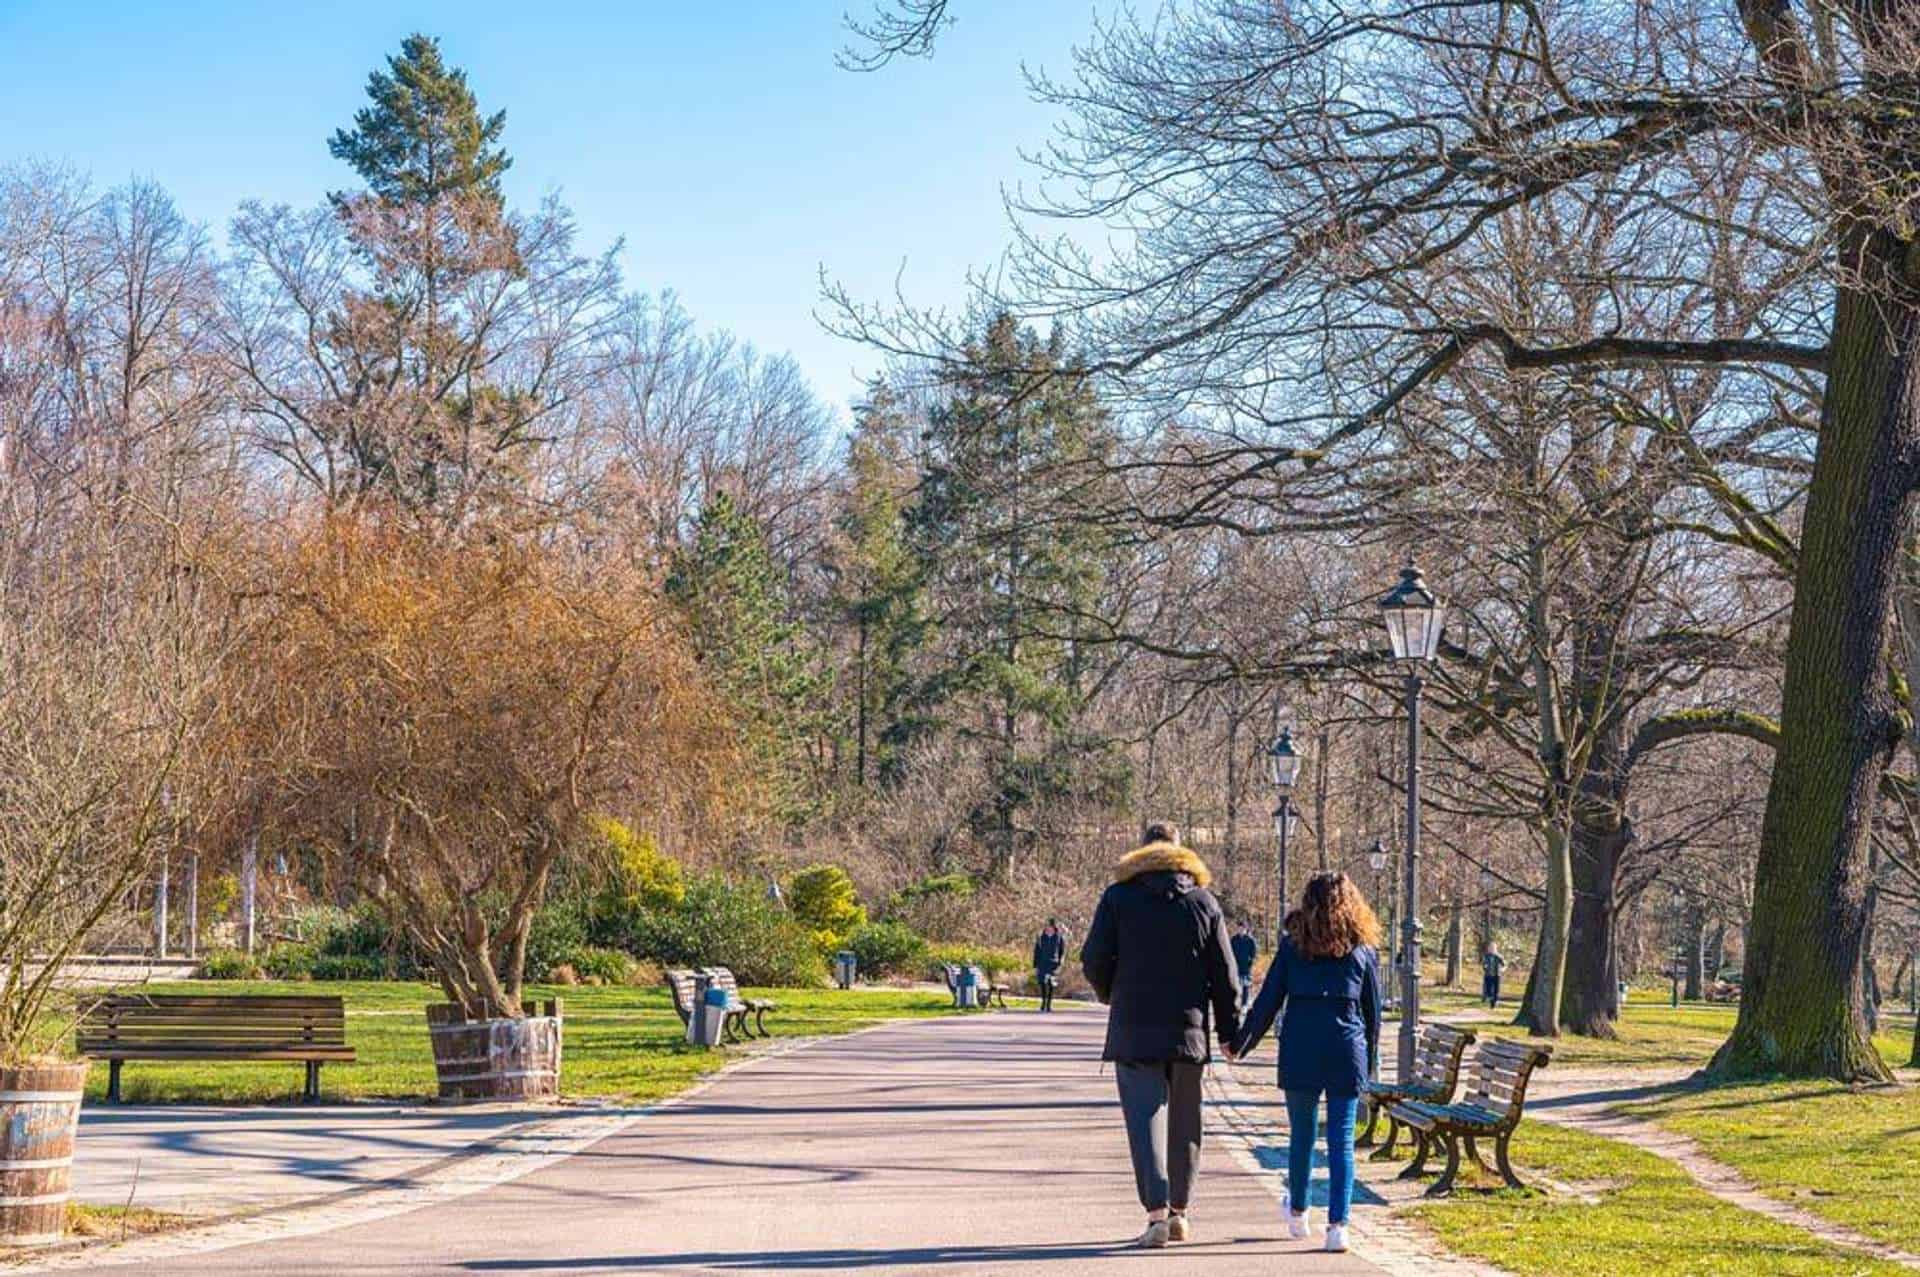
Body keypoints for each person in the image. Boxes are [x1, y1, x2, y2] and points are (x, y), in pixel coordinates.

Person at [1081, 821, 1241, 1250]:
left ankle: (1155, 1215)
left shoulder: (1118, 898)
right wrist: (1228, 1031)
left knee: (1144, 1120)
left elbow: (1093, 958)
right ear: (1179, 851)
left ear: (1142, 851)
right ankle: (1181, 1213)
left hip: (1133, 1027)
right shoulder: (1203, 902)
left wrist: (1111, 992)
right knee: (1187, 1123)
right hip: (1188, 1031)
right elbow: (1225, 975)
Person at [1233, 872, 1382, 1255]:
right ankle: (1338, 1226)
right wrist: (1370, 1058)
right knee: (1341, 1141)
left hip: (1300, 1046)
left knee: (1301, 1136)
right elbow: (1372, 1012)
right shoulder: (1361, 948)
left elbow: (1268, 1001)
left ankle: (1299, 1212)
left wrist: (1242, 1043)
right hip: (1345, 1049)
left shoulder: (1292, 946)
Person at [1032, 919, 1067, 1012]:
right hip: (1042, 964)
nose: (1048, 928)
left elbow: (1062, 952)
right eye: (1047, 926)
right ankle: (1043, 1001)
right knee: (1042, 983)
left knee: (1051, 984)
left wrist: (1060, 964)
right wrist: (1035, 966)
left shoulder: (1059, 938)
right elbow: (1036, 952)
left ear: (1053, 927)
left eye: (1050, 926)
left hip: (1053, 964)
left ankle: (1049, 1004)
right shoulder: (1040, 938)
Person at [1230, 921, 1259, 1011]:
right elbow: (1230, 952)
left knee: (1245, 985)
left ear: (1246, 929)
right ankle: (1234, 1003)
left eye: (1242, 928)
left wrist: (1251, 962)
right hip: (1235, 966)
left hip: (1246, 966)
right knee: (1234, 984)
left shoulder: (1250, 940)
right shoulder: (1234, 939)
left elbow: (1254, 953)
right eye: (1239, 928)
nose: (1240, 930)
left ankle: (1244, 1004)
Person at [1482, 942, 1506, 1008]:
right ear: (1488, 949)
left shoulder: (1499, 957)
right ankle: (1491, 999)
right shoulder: (1486, 956)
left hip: (1497, 975)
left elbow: (1504, 965)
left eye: (1493, 948)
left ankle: (1494, 1002)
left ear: (1496, 949)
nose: (1491, 949)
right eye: (1490, 948)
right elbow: (1483, 964)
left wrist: (1502, 969)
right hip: (1488, 975)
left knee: (1496, 989)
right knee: (1488, 989)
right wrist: (1485, 966)